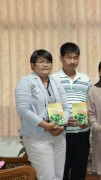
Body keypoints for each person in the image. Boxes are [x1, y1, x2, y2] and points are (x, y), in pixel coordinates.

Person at [15, 49, 70, 180]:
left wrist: (62, 125)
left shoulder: (56, 81)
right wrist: (45, 125)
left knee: (58, 175)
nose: (45, 65)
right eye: (41, 62)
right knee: (47, 176)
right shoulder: (26, 82)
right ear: (32, 65)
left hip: (58, 135)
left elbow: (66, 107)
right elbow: (23, 109)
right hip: (37, 137)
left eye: (48, 62)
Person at [52, 42, 91, 180]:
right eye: (69, 57)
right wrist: (64, 121)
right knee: (61, 172)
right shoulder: (53, 79)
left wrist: (86, 122)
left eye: (75, 57)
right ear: (61, 58)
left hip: (82, 133)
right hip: (61, 134)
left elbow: (89, 105)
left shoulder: (86, 79)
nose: (72, 61)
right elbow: (51, 104)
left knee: (79, 172)